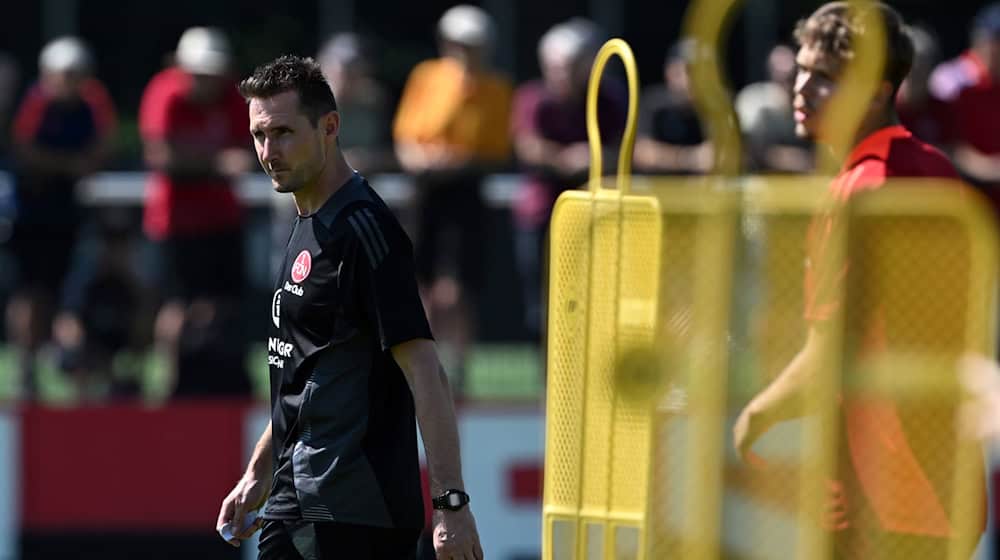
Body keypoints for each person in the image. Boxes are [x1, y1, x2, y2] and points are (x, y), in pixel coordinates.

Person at [732, 3, 986, 558]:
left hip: (885, 495)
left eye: (824, 77)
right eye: (802, 69)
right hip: (947, 487)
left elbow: (832, 351)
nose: (801, 87)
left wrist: (757, 415)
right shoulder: (936, 168)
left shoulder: (861, 190)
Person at [216, 55, 483, 560]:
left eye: (284, 132)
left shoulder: (365, 230)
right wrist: (258, 471)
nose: (268, 152)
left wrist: (450, 506)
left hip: (353, 508)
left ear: (330, 126)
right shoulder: (305, 222)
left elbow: (426, 372)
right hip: (302, 495)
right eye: (258, 136)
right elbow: (305, 370)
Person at [393, 4, 513, 391]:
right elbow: (407, 134)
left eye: (472, 44)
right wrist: (422, 158)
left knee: (458, 289)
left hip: (466, 193)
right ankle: (423, 368)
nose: (464, 51)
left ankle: (458, 370)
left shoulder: (496, 89)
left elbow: (496, 148)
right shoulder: (426, 76)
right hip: (427, 191)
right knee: (423, 284)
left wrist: (457, 159)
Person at [138, 26, 253, 397]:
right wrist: (216, 164)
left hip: (222, 218)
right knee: (177, 306)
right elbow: (161, 156)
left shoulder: (233, 98)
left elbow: (249, 149)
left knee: (224, 306)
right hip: (175, 222)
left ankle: (217, 379)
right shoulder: (165, 92)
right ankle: (169, 385)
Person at [7, 36, 117, 398]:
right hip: (31, 217)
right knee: (31, 295)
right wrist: (69, 165)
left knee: (70, 299)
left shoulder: (92, 102)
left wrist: (68, 166)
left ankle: (75, 377)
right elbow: (24, 151)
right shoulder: (36, 103)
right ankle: (27, 370)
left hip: (70, 216)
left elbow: (103, 146)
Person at [510, 17, 625, 336]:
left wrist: (594, 157)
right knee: (542, 305)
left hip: (594, 215)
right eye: (555, 66)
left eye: (568, 65)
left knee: (593, 299)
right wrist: (565, 159)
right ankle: (549, 381)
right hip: (542, 215)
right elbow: (527, 145)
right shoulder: (533, 98)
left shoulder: (608, 99)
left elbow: (625, 147)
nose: (560, 74)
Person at [634, 39, 713, 175]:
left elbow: (729, 154)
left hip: (703, 192)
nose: (693, 78)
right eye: (687, 70)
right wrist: (690, 159)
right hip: (658, 192)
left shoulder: (715, 108)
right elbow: (642, 154)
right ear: (669, 72)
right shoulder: (654, 103)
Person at [735, 44, 813, 173]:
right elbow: (746, 151)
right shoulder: (754, 102)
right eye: (780, 73)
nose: (785, 80)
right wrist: (794, 160)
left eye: (790, 75)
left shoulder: (809, 102)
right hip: (759, 181)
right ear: (770, 71)